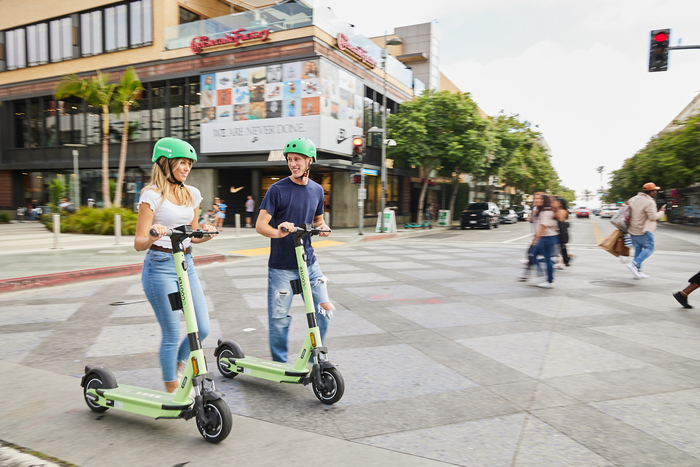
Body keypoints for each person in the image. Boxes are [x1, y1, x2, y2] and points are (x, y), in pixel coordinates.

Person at [134, 137, 217, 393]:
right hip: (159, 266)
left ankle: (179, 363)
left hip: (186, 263)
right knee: (171, 332)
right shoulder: (151, 195)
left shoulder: (191, 194)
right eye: (181, 162)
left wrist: (206, 233)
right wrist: (153, 235)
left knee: (202, 327)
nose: (186, 167)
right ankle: (171, 389)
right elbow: (139, 242)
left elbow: (191, 235)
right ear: (165, 162)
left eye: (189, 163)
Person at [256, 137, 334, 363]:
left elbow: (318, 220)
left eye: (297, 159)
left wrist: (323, 227)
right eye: (290, 160)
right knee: (279, 319)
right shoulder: (277, 190)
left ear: (310, 160)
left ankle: (312, 362)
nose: (293, 164)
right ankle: (280, 365)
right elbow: (261, 225)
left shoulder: (317, 190)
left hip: (309, 263)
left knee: (324, 311)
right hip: (282, 266)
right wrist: (279, 231)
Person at [625, 182, 666, 279]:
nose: (656, 192)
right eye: (655, 190)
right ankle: (634, 264)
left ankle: (638, 272)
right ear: (651, 192)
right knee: (651, 248)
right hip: (644, 230)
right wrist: (661, 212)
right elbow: (652, 217)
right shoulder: (649, 201)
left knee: (638, 250)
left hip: (632, 229)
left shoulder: (633, 199)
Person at [524, 193, 559, 288]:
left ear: (545, 201)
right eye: (536, 199)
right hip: (546, 237)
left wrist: (536, 238)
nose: (537, 201)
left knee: (546, 258)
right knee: (533, 255)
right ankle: (543, 276)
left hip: (547, 238)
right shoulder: (543, 211)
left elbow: (543, 226)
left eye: (540, 199)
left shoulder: (546, 212)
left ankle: (549, 280)